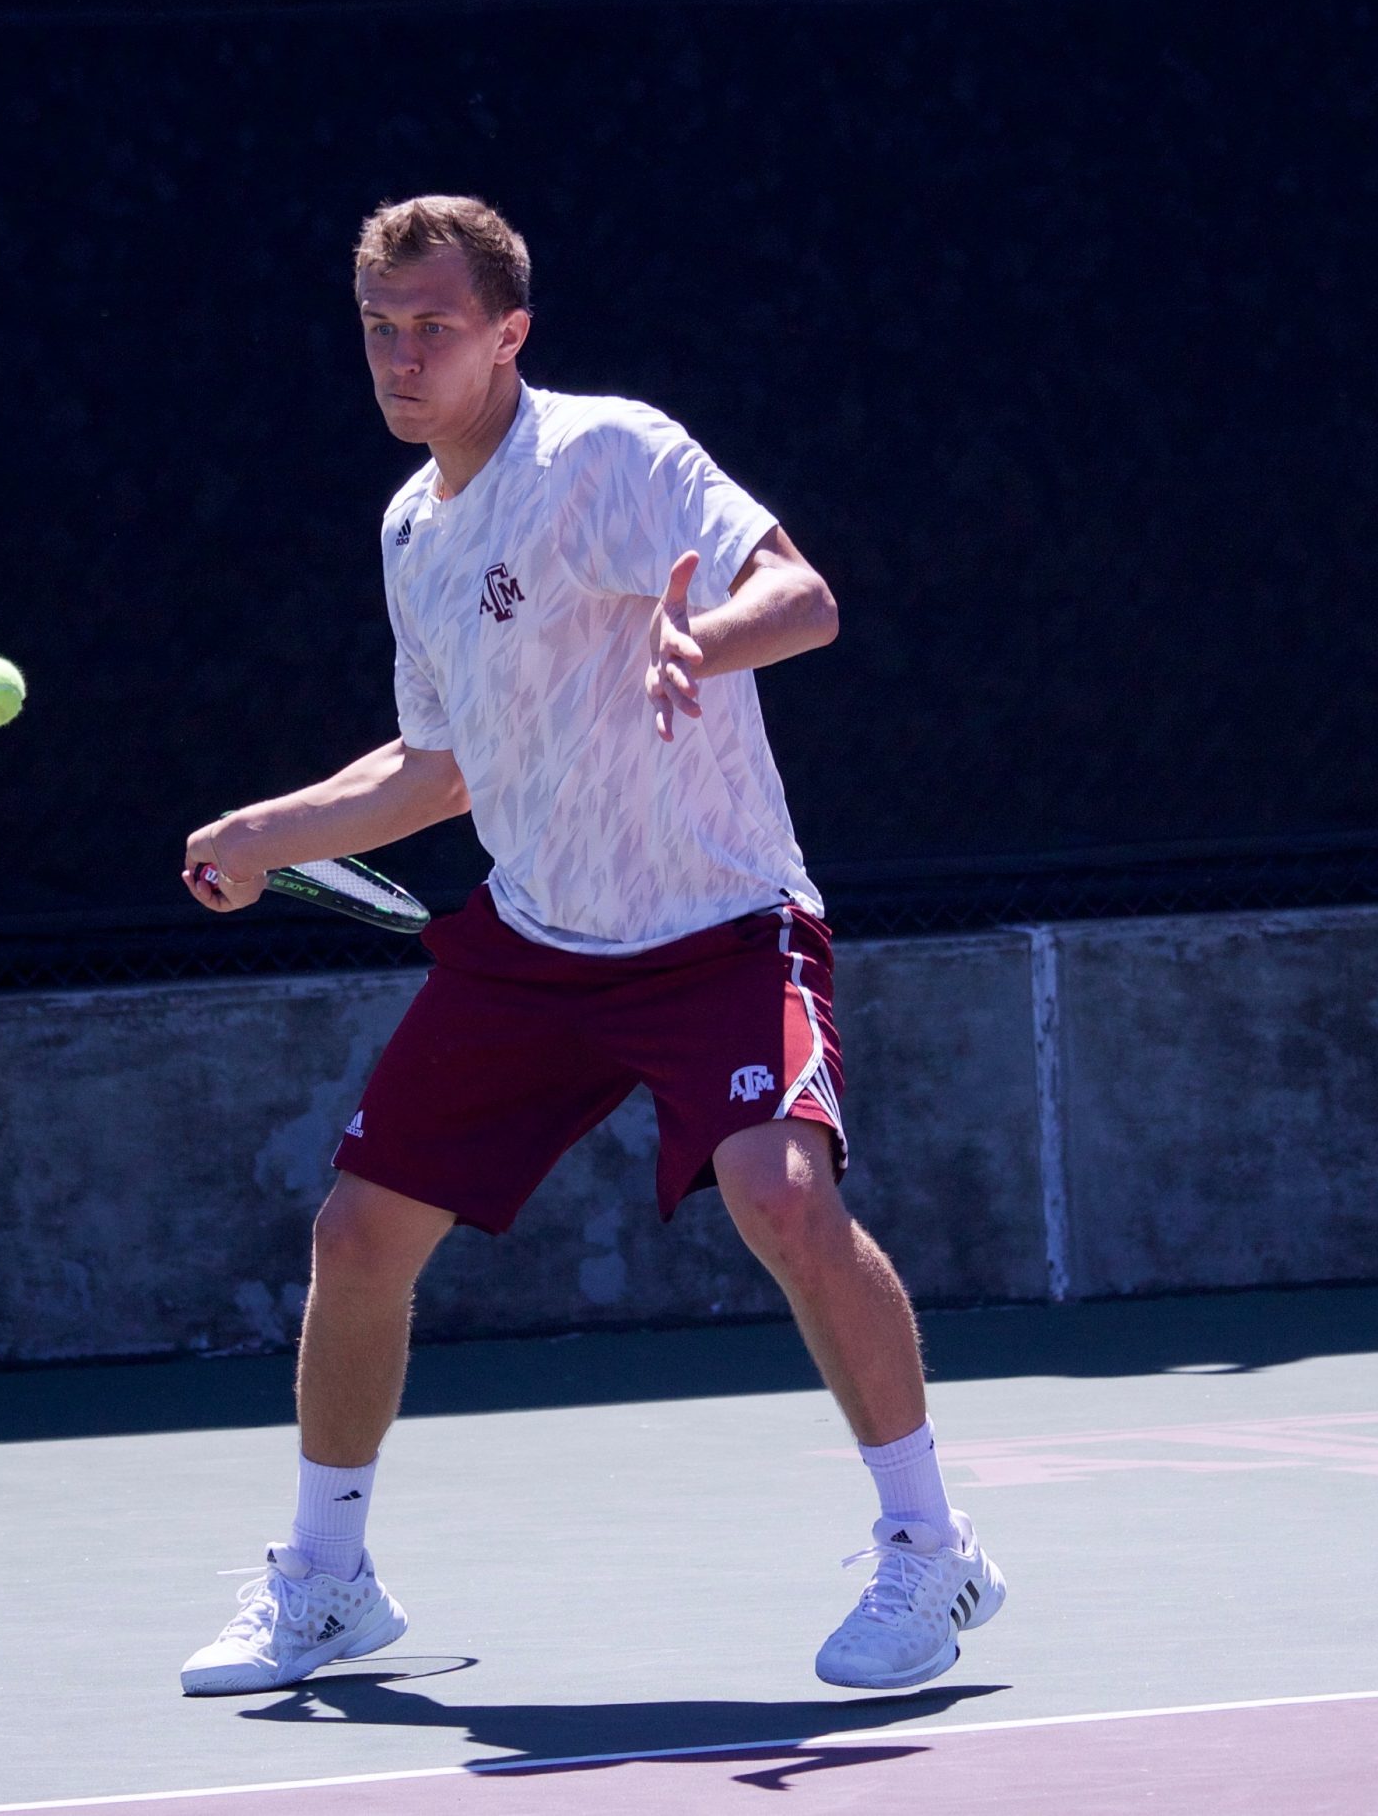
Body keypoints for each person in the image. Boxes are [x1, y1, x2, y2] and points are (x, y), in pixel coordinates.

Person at [176, 195, 1003, 1696]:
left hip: (721, 922)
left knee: (784, 1195)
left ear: (510, 334)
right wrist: (266, 829)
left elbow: (801, 596)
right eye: (380, 327)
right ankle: (329, 1584)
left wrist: (708, 639)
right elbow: (440, 766)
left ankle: (932, 1550)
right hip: (540, 942)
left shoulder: (605, 455)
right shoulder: (412, 530)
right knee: (358, 1234)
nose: (402, 355)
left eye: (434, 327)